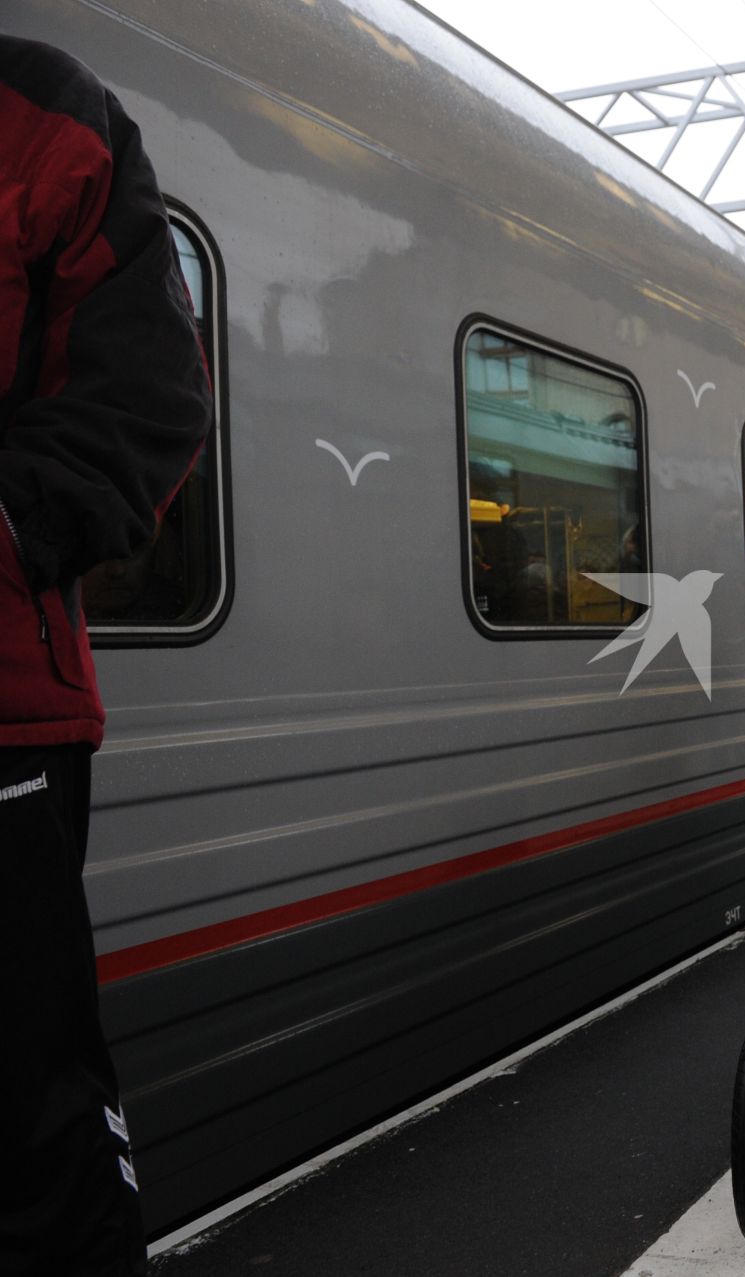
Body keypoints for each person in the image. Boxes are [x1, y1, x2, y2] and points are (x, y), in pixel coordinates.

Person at [0, 36, 213, 1277]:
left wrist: (15, 526)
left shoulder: (48, 118)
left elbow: (148, 394)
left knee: (34, 1136)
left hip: (8, 723)